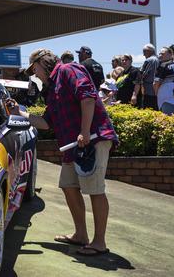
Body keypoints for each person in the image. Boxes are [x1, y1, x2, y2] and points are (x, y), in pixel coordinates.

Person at [19, 48, 118, 256]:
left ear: (42, 62)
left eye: (34, 68)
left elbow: (88, 98)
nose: (35, 74)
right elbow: (46, 123)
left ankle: (99, 242)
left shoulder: (68, 69)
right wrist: (19, 113)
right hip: (73, 145)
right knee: (68, 186)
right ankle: (81, 234)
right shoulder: (52, 87)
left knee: (95, 189)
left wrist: (84, 132)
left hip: (92, 140)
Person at [154, 47, 174, 115]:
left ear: (171, 54)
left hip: (167, 101)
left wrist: (157, 94)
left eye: (162, 54)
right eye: (159, 54)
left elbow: (156, 83)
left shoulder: (163, 66)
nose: (160, 56)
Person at [133, 43, 159, 110]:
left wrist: (135, 94)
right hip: (158, 91)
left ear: (149, 51)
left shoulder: (149, 60)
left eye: (144, 52)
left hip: (149, 91)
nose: (143, 54)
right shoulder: (160, 60)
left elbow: (141, 75)